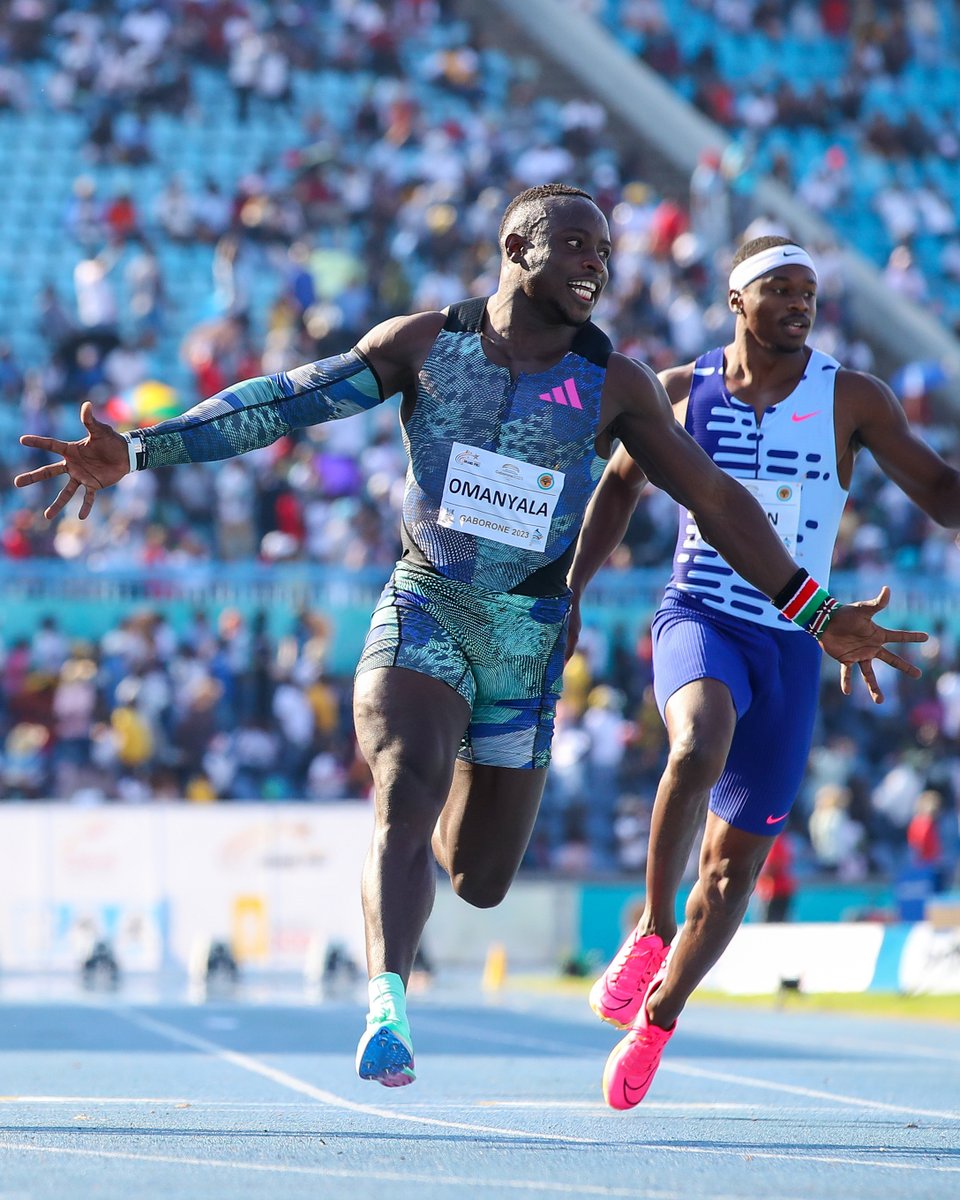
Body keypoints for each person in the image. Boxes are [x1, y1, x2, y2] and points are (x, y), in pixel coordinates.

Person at [15, 191, 923, 1089]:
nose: (595, 265)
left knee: (482, 876)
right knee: (405, 784)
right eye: (574, 245)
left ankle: (436, 826)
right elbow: (287, 403)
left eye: (603, 252)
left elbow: (717, 501)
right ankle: (387, 1004)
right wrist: (140, 451)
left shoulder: (617, 384)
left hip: (525, 642)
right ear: (515, 247)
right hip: (427, 604)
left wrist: (813, 611)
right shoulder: (424, 345)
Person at [567, 233, 959, 1111]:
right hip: (699, 616)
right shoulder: (680, 392)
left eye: (809, 293)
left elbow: (941, 496)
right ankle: (652, 931)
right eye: (779, 289)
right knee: (696, 743)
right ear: (736, 300)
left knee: (732, 871)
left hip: (793, 644)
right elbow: (621, 487)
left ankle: (660, 1019)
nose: (799, 305)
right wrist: (574, 593)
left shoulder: (851, 398)